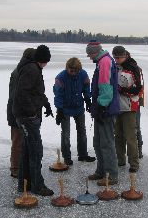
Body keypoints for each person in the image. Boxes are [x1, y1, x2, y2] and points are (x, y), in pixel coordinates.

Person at [12, 45, 54, 196]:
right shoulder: (31, 69)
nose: (46, 64)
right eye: (46, 61)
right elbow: (22, 93)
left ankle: (25, 183)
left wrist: (46, 105)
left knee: (28, 150)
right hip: (27, 117)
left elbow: (37, 92)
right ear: (42, 59)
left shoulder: (33, 68)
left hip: (27, 116)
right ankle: (37, 185)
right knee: (36, 150)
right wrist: (31, 112)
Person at [86, 41, 120, 186]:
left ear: (94, 52)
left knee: (106, 142)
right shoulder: (101, 61)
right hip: (101, 109)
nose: (88, 57)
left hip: (106, 109)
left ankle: (111, 175)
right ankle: (101, 171)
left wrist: (101, 105)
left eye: (89, 54)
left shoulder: (105, 62)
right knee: (98, 142)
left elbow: (105, 87)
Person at [53, 57, 95, 165]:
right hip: (65, 109)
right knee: (66, 134)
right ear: (67, 68)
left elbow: (86, 88)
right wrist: (60, 110)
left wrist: (87, 100)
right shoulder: (60, 77)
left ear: (79, 69)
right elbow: (58, 95)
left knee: (82, 131)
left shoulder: (83, 74)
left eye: (75, 71)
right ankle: (67, 157)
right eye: (70, 70)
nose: (72, 73)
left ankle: (83, 155)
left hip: (79, 107)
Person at [112, 46, 142, 172]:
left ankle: (134, 164)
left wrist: (122, 90)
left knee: (130, 137)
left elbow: (137, 89)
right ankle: (120, 159)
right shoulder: (115, 67)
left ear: (125, 56)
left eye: (119, 57)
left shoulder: (133, 68)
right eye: (115, 57)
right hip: (117, 106)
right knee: (118, 135)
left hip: (129, 107)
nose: (117, 60)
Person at [7, 48, 35, 178]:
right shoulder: (20, 72)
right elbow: (18, 95)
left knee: (22, 140)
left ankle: (21, 166)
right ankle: (15, 168)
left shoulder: (20, 70)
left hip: (18, 111)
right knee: (18, 141)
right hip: (17, 112)